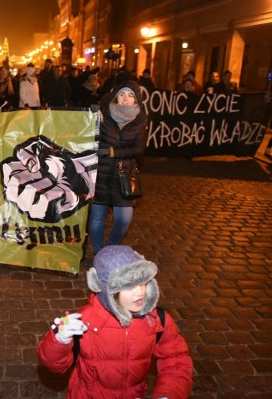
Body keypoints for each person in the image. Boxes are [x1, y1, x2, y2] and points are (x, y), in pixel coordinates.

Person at [37, 245, 193, 398]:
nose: (140, 292)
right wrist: (59, 340)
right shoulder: (85, 322)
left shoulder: (157, 319)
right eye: (129, 287)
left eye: (142, 282)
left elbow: (176, 360)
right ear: (107, 291)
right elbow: (54, 365)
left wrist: (168, 394)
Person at [90, 81, 147, 255]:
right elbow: (87, 136)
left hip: (124, 176)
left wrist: (113, 151)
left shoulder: (140, 119)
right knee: (97, 217)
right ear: (116, 97)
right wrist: (90, 116)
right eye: (122, 94)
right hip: (101, 173)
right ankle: (99, 252)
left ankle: (111, 247)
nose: (126, 99)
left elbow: (139, 149)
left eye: (130, 95)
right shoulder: (104, 114)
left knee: (124, 219)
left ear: (136, 99)